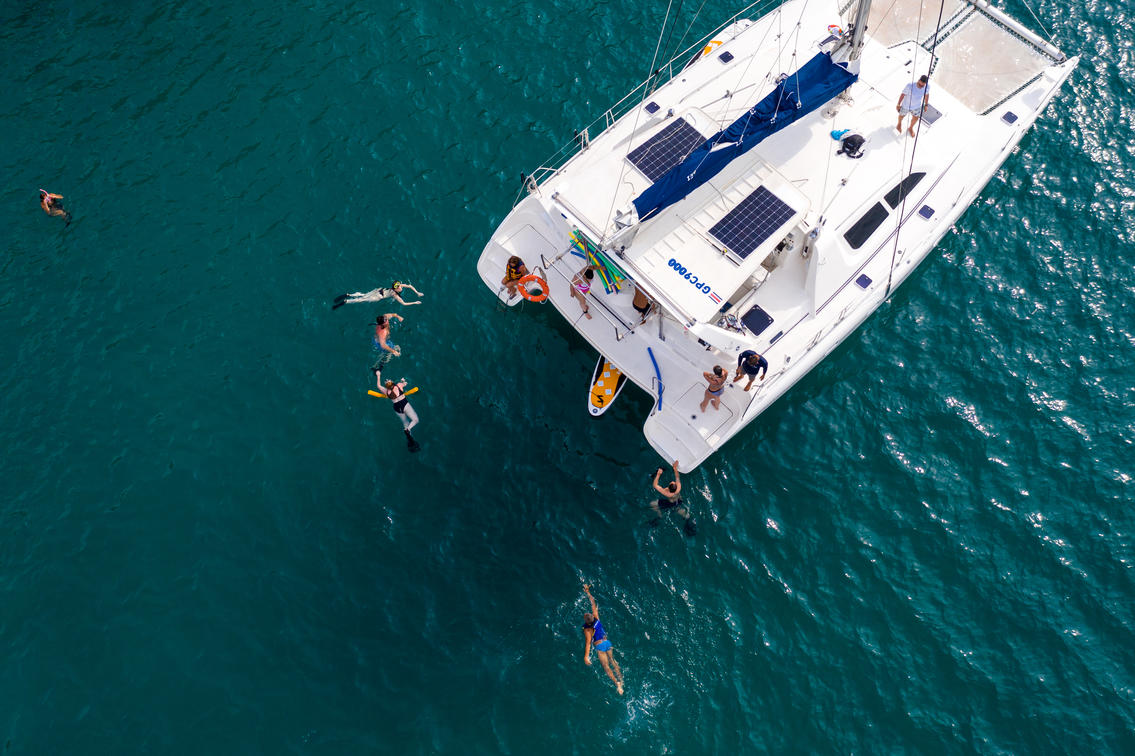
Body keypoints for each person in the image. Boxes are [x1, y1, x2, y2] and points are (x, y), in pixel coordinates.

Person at [581, 583, 624, 695]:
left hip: (600, 646)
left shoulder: (588, 629)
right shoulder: (596, 618)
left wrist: (586, 656)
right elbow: (593, 603)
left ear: (586, 622)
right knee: (613, 661)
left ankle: (617, 684)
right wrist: (588, 592)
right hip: (607, 642)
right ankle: (621, 680)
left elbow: (588, 643)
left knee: (606, 667)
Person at [374, 370, 420, 451]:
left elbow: (378, 386)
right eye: (388, 380)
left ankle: (409, 435)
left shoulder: (386, 392)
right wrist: (403, 380)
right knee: (415, 420)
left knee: (405, 422)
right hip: (404, 404)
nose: (387, 379)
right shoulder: (398, 385)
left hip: (397, 408)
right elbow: (405, 383)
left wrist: (378, 375)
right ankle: (408, 429)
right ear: (392, 383)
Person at [650, 460, 694, 534]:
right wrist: (675, 468)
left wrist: (658, 474)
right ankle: (689, 525)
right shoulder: (678, 487)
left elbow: (655, 485)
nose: (673, 481)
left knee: (653, 504)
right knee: (686, 515)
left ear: (669, 488)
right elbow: (677, 477)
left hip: (670, 503)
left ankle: (659, 516)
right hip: (679, 501)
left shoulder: (667, 493)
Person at [334, 281, 423, 310]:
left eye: (400, 286)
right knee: (362, 299)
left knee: (364, 295)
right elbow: (404, 303)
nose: (401, 287)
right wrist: (415, 302)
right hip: (377, 297)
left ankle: (349, 294)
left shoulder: (397, 287)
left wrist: (417, 292)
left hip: (378, 290)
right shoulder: (394, 295)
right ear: (396, 289)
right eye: (399, 287)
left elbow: (410, 286)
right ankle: (347, 301)